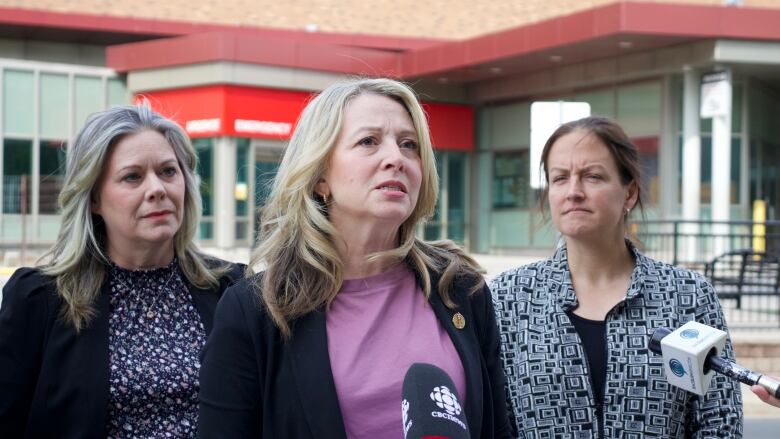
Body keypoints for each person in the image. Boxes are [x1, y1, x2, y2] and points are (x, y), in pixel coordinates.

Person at [197, 78, 512, 438]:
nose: (396, 158)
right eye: (368, 142)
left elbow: (496, 429)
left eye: (409, 145)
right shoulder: (255, 310)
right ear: (319, 177)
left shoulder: (459, 289)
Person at [0, 105, 245, 438]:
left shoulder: (233, 291)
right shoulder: (40, 301)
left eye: (168, 171)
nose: (157, 188)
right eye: (133, 176)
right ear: (94, 199)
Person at [490, 116, 743, 438]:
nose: (573, 191)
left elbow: (719, 421)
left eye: (592, 176)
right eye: (560, 178)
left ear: (629, 193)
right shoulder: (508, 297)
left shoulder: (688, 296)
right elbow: (495, 421)